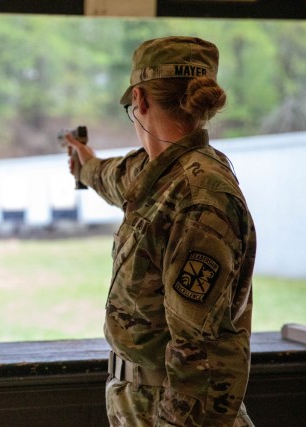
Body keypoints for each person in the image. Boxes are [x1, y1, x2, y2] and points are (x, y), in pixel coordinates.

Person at [64, 36, 256, 426]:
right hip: (146, 404)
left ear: (141, 100)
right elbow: (114, 176)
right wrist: (84, 164)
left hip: (174, 412)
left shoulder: (200, 196)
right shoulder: (161, 171)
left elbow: (200, 355)